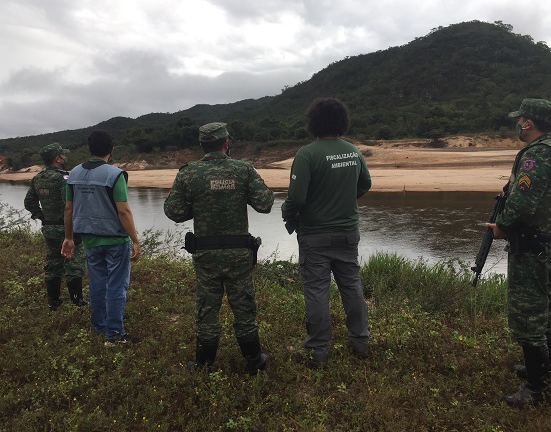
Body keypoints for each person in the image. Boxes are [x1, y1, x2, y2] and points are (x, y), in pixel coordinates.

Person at [164, 122, 274, 374]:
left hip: (206, 254)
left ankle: (203, 363)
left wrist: (199, 205)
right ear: (227, 144)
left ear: (202, 145)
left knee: (207, 306)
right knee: (244, 305)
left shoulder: (189, 173)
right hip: (239, 254)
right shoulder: (243, 170)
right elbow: (265, 203)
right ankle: (254, 360)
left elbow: (174, 211)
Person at [486, 98, 551, 407]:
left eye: (520, 120)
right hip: (548, 242)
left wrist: (501, 226)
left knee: (528, 315)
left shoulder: (538, 154)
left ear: (529, 122)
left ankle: (536, 389)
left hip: (533, 245)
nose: (518, 125)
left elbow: (523, 202)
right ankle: (542, 370)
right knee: (545, 308)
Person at [281, 97, 372, 368]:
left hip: (314, 235)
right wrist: (345, 199)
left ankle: (317, 351)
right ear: (342, 122)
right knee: (352, 287)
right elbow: (365, 184)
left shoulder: (307, 154)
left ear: (313, 123)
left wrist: (288, 215)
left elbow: (296, 198)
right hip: (347, 232)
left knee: (317, 291)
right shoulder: (353, 151)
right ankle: (360, 343)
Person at [61, 130, 142, 346]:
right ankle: (114, 335)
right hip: (115, 240)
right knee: (116, 286)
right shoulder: (114, 174)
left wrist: (68, 238)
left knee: (97, 284)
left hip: (89, 239)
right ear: (111, 150)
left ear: (90, 149)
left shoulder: (74, 174)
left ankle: (99, 327)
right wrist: (134, 239)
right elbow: (123, 211)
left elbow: (69, 209)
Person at [24, 143, 87, 310]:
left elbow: (29, 202)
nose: (65, 158)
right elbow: (70, 205)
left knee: (53, 262)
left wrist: (42, 215)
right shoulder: (64, 178)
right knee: (73, 262)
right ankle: (77, 301)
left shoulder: (38, 178)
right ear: (58, 158)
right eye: (62, 155)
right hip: (67, 228)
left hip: (49, 228)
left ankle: (54, 301)